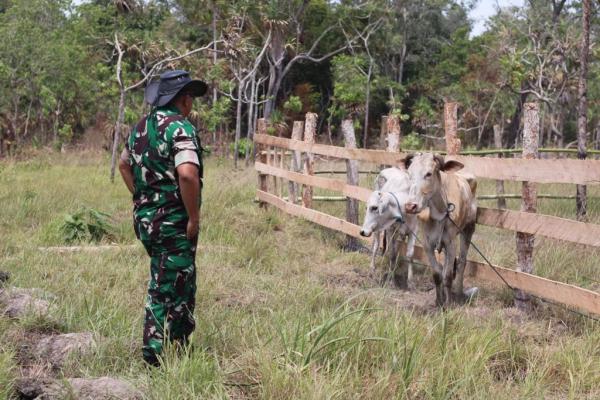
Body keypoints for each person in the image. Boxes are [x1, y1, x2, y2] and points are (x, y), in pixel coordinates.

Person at [118, 70, 206, 366]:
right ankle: (153, 355)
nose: (191, 103)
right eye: (190, 97)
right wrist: (193, 217)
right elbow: (187, 174)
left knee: (177, 279)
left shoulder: (140, 128)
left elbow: (123, 165)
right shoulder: (180, 129)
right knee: (165, 284)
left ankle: (180, 344)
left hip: (145, 222)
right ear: (182, 99)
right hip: (173, 223)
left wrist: (141, 198)